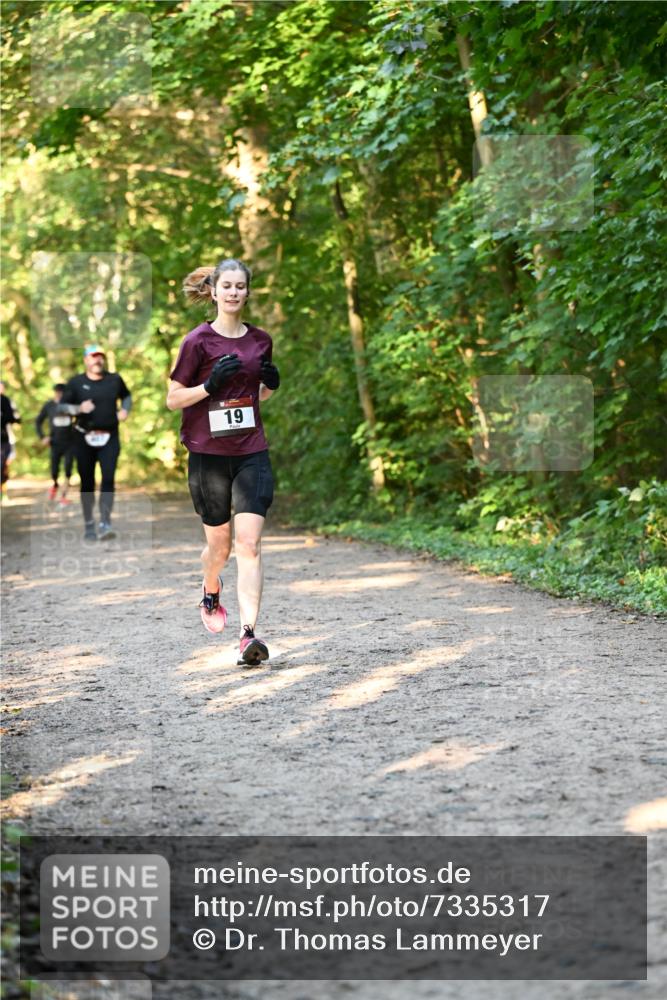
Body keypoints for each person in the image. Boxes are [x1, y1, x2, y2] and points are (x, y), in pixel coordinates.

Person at [166, 258, 280, 666]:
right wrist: (208, 385)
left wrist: (270, 384)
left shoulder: (260, 340)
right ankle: (210, 585)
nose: (233, 293)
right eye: (226, 286)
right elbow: (173, 398)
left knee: (249, 543)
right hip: (207, 455)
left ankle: (248, 634)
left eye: (240, 286)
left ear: (248, 292)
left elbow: (258, 394)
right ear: (213, 292)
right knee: (221, 548)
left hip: (251, 451)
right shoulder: (197, 341)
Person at [58, 346, 132, 541]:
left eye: (100, 357)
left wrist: (125, 410)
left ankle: (105, 522)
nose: (97, 360)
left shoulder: (114, 379)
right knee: (87, 482)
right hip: (83, 438)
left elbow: (126, 396)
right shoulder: (76, 382)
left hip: (109, 437)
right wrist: (78, 408)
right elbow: (61, 407)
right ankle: (89, 523)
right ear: (86, 360)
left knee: (108, 479)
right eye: (93, 357)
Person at [36, 383, 76, 506]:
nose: (60, 395)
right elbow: (38, 421)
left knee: (68, 468)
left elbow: (81, 418)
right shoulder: (49, 405)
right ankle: (54, 485)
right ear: (55, 393)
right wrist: (43, 437)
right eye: (58, 392)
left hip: (70, 442)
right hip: (55, 443)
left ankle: (64, 496)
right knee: (54, 470)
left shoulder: (70, 406)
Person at [1, 381, 21, 500]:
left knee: (4, 465)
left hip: (6, 438)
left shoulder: (7, 401)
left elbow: (16, 418)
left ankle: (3, 492)